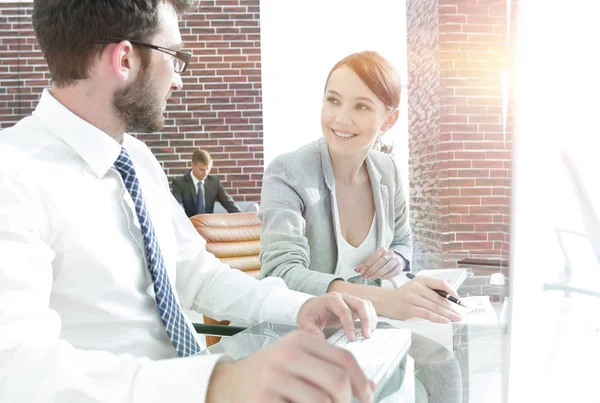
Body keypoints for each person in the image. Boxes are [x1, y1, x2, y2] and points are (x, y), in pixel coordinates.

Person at [0, 2, 379, 402]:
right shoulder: (13, 173)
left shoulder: (138, 160)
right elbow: (14, 367)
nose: (178, 81)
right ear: (125, 58)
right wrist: (218, 384)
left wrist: (301, 306)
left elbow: (197, 275)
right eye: (175, 57)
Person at [259, 51, 463, 324]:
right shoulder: (288, 172)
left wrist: (397, 260)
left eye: (361, 107)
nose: (341, 119)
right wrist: (386, 302)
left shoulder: (388, 171)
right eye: (333, 101)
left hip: (370, 333)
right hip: (302, 336)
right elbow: (281, 272)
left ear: (389, 120)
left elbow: (403, 241)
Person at [171, 149, 241, 216]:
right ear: (192, 165)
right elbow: (178, 208)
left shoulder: (214, 182)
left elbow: (228, 202)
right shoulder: (179, 183)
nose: (205, 173)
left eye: (208, 169)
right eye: (201, 169)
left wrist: (242, 218)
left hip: (207, 225)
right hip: (188, 225)